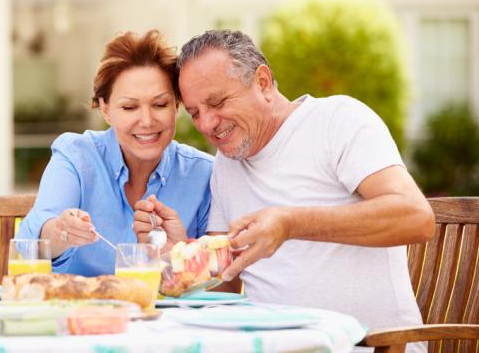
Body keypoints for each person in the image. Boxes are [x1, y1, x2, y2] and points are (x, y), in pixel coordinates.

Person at [135, 30, 434, 352]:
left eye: (218, 102)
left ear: (262, 82)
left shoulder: (337, 120)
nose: (207, 124)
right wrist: (184, 257)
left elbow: (416, 217)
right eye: (194, 113)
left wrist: (290, 224)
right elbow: (227, 280)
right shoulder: (227, 163)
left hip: (365, 345)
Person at [16, 30, 213, 277]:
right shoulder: (76, 156)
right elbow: (30, 246)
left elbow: (217, 280)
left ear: (176, 105)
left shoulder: (203, 173)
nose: (147, 120)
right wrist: (61, 232)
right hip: (81, 310)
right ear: (105, 109)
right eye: (129, 107)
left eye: (160, 104)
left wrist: (179, 255)